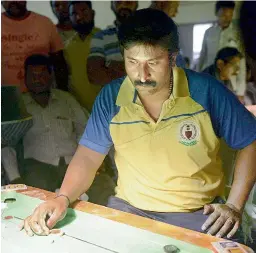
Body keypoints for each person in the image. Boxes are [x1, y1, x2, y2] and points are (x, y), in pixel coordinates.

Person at [22, 9, 256, 244]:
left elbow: (250, 140)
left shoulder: (206, 92)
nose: (141, 75)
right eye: (132, 62)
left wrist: (234, 205)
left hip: (197, 216)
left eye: (152, 63)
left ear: (173, 58)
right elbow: (88, 157)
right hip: (129, 210)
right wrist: (62, 198)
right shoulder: (111, 97)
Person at [19, 54, 87, 192]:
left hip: (73, 163)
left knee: (100, 189)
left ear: (51, 76)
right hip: (37, 166)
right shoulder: (19, 105)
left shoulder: (66, 99)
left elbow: (84, 129)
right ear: (25, 78)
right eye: (33, 75)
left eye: (42, 74)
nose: (38, 80)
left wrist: (85, 158)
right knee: (36, 198)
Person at [1, 1, 69, 92]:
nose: (13, 1)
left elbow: (59, 64)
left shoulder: (45, 23)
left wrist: (62, 93)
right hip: (6, 98)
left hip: (42, 96)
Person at [197, 1, 246, 101]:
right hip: (210, 77)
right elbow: (203, 56)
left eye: (230, 15)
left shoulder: (237, 33)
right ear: (216, 13)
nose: (227, 18)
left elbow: (241, 63)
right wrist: (197, 78)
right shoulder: (209, 32)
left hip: (230, 82)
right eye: (223, 15)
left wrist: (241, 92)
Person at [87, 0, 138, 86]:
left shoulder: (149, 34)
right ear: (112, 5)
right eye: (118, 2)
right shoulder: (101, 37)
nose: (123, 5)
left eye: (129, 2)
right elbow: (95, 76)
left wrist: (114, 67)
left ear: (136, 4)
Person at [64, 1, 101, 112]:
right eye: (74, 14)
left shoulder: (105, 39)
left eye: (84, 11)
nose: (79, 16)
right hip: (80, 112)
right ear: (70, 18)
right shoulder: (67, 47)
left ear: (92, 13)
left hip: (108, 109)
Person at [150, 0, 185, 68]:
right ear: (161, 2)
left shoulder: (166, 26)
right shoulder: (146, 26)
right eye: (174, 8)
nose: (175, 13)